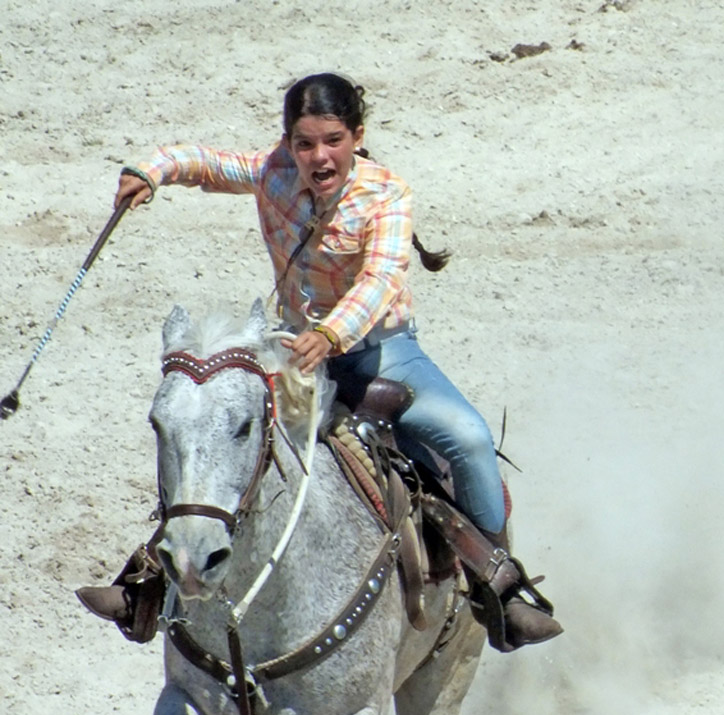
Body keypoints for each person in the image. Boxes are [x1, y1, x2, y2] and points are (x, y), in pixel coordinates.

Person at [77, 72, 561, 652]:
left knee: (469, 437)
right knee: (219, 435)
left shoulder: (386, 194)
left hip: (381, 354)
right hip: (293, 354)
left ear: (357, 135)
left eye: (331, 140)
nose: (318, 156)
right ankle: (148, 581)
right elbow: (203, 163)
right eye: (304, 144)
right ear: (288, 144)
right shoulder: (272, 172)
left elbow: (382, 278)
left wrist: (332, 333)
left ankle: (498, 589)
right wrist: (149, 172)